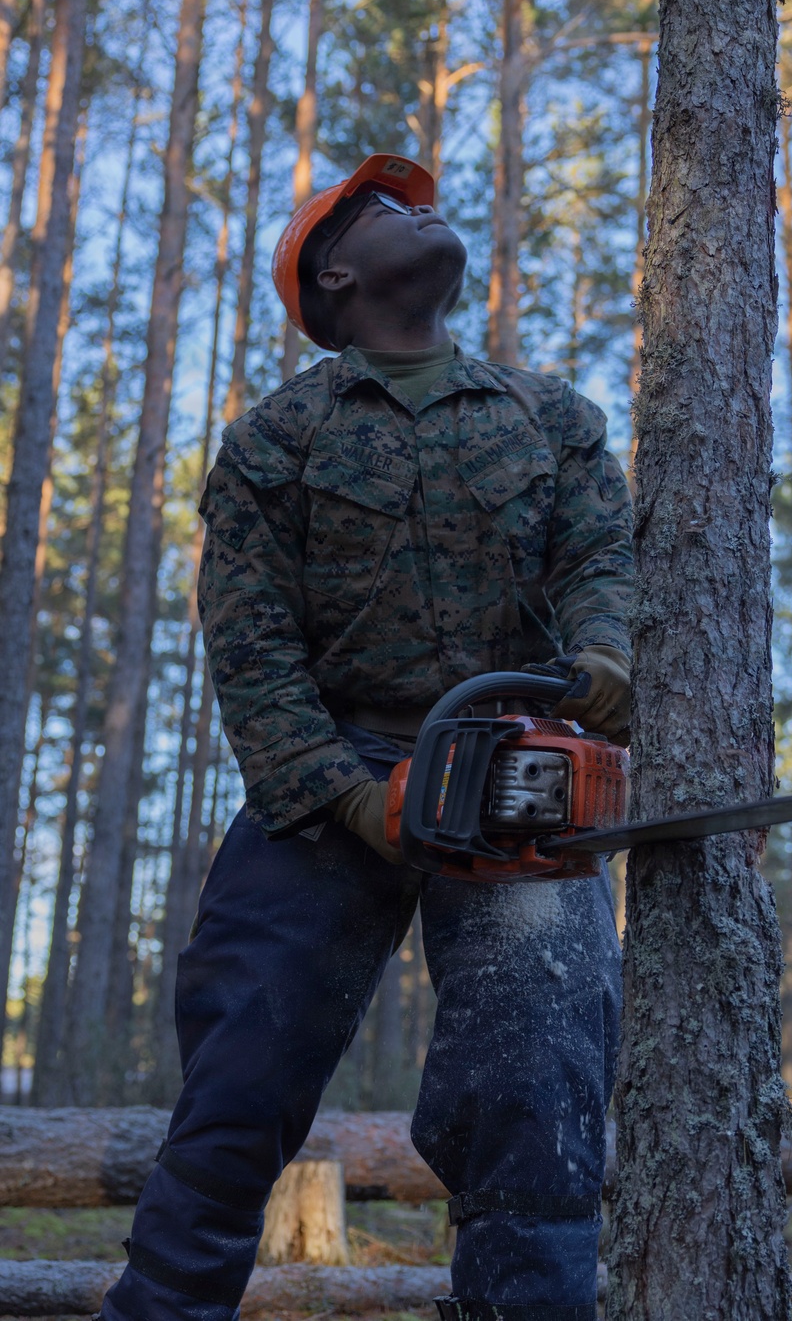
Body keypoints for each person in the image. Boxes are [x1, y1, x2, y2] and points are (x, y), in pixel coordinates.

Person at [98, 153, 633, 1321]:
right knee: (241, 1080)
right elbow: (252, 650)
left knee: (535, 1096)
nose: (421, 209)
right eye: (387, 209)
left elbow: (599, 561)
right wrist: (348, 798)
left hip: (513, 776)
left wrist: (603, 661)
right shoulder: (273, 442)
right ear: (333, 274)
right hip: (329, 783)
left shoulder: (552, 419)